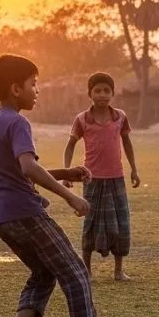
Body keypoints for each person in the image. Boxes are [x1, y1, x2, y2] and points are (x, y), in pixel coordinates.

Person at [0, 54, 126, 317]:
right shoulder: (19, 122)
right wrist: (71, 195)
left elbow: (16, 170)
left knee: (44, 273)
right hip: (25, 212)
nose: (37, 91)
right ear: (15, 87)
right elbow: (28, 167)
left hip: (2, 216)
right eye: (33, 84)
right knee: (75, 271)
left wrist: (66, 171)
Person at [62, 72, 141, 281]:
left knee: (120, 223)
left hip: (116, 178)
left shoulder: (120, 117)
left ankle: (118, 271)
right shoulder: (82, 119)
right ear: (90, 93)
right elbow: (70, 145)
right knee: (91, 222)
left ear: (113, 93)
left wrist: (134, 169)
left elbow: (127, 143)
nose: (102, 95)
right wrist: (66, 172)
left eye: (107, 90)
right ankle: (87, 270)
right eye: (97, 90)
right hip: (91, 179)